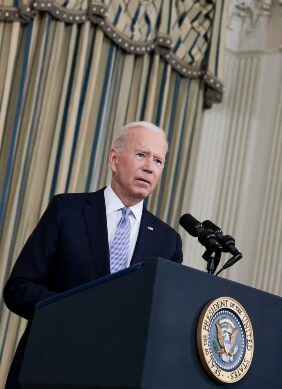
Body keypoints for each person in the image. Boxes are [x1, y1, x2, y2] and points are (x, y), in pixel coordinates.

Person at [3, 121, 183, 388]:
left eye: (158, 160)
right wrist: (81, 313)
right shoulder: (67, 210)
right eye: (141, 154)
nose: (149, 166)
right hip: (49, 369)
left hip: (117, 377)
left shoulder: (168, 241)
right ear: (114, 159)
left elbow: (163, 322)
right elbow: (19, 289)